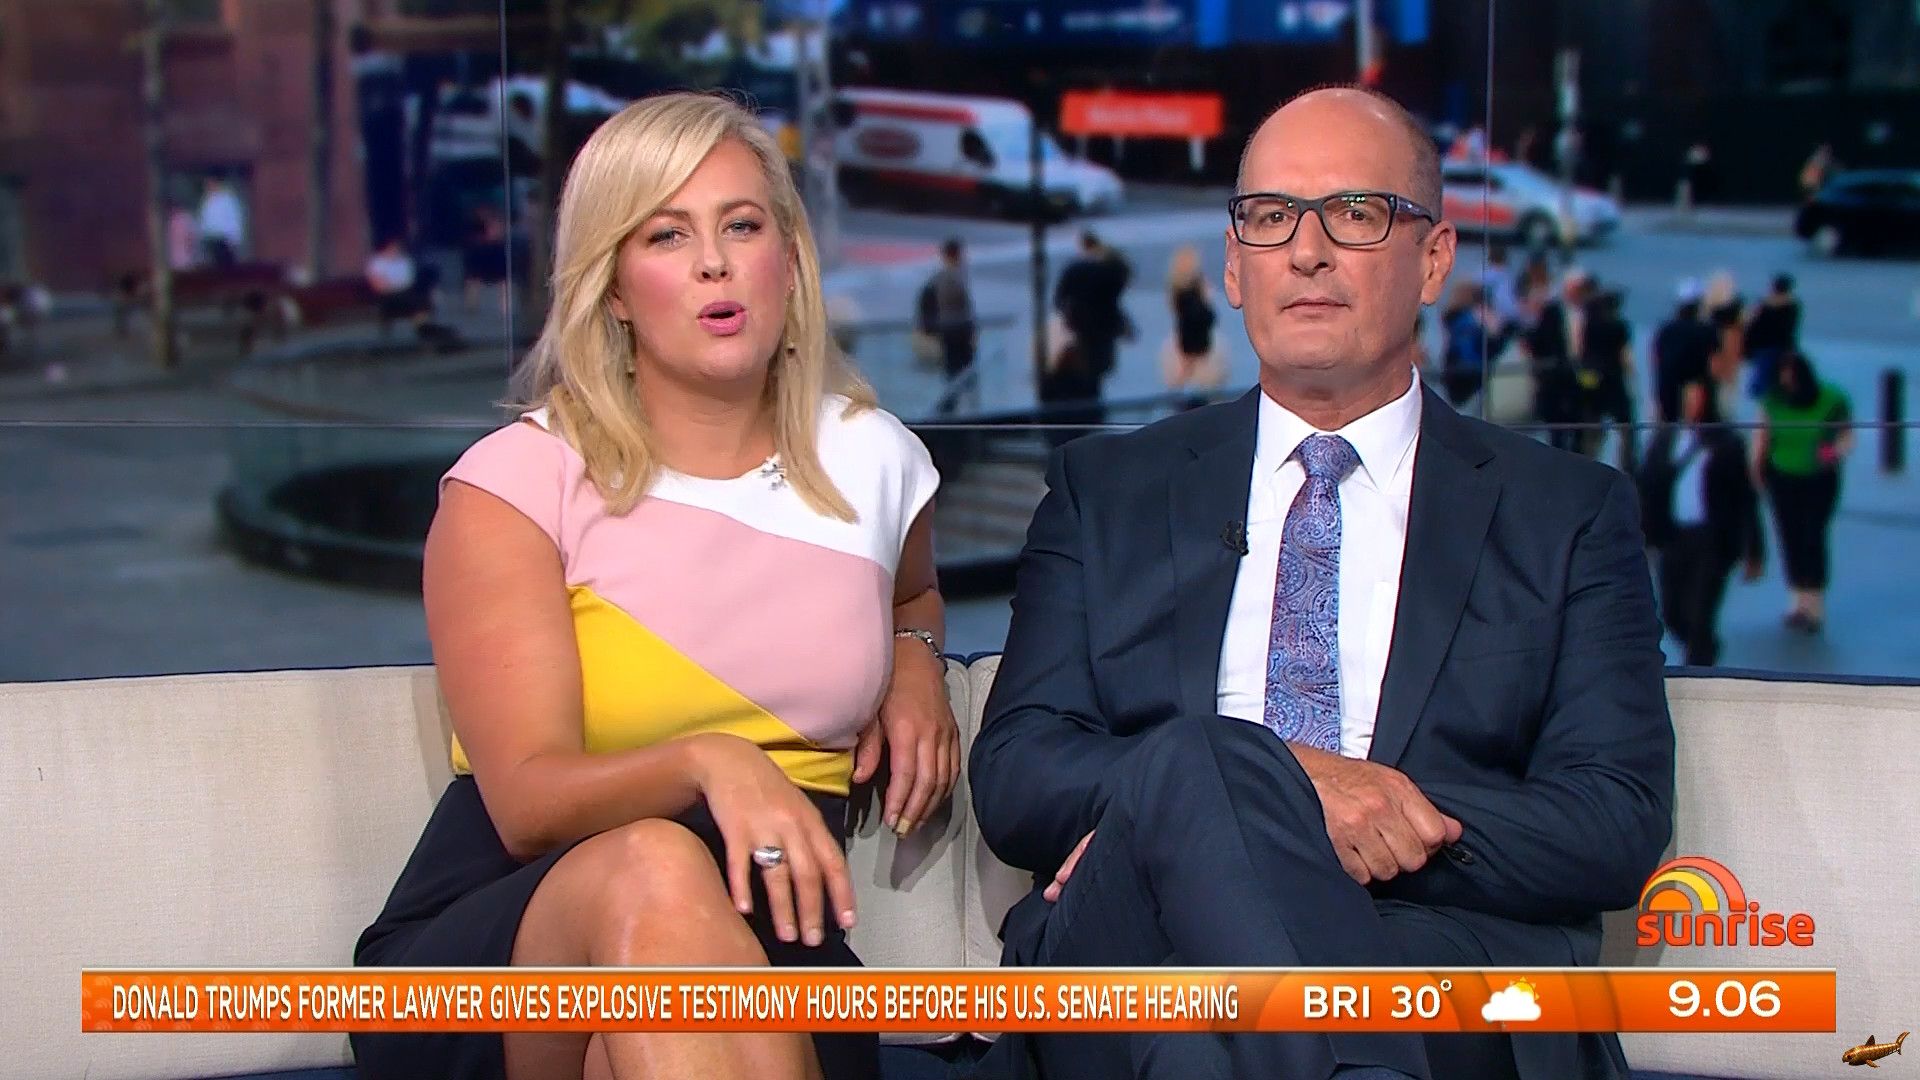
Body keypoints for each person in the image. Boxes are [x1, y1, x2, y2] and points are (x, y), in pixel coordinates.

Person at [970, 86, 1674, 1080]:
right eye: (1270, 217)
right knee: (1200, 763)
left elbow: (1612, 821)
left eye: (1354, 213)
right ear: (1233, 264)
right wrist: (1280, 787)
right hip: (1127, 933)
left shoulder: (1566, 513)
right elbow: (1017, 775)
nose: (1306, 251)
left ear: (1435, 258)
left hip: (1434, 955)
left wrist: (1342, 818)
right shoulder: (1107, 491)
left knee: (1195, 1048)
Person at [351, 92, 959, 1080]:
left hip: (780, 945)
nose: (715, 263)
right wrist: (711, 763)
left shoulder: (874, 459)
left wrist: (918, 661)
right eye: (668, 235)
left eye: (742, 226)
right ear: (616, 290)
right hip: (512, 937)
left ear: (788, 258)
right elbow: (527, 802)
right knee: (654, 868)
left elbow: (911, 597)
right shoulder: (519, 482)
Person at [1638, 379, 1764, 666]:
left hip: (1712, 540)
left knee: (1700, 613)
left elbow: (1745, 499)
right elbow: (1647, 484)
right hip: (1673, 537)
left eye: (1698, 398)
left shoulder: (1727, 444)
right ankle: (1704, 646)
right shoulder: (1666, 439)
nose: (1692, 405)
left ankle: (1700, 665)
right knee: (1671, 612)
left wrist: (1754, 550)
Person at [1756, 349, 1852, 634]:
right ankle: (1798, 602)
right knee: (1789, 537)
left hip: (1819, 478)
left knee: (1813, 536)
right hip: (1782, 478)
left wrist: (1834, 452)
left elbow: (1846, 434)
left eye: (1791, 376)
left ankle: (1815, 603)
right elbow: (1762, 438)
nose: (1787, 381)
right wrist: (1756, 473)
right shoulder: (1772, 400)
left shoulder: (1832, 399)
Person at [1044, 231, 1133, 445]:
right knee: (1093, 384)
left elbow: (1059, 299)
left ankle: (1075, 430)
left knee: (1078, 387)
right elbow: (1114, 302)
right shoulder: (1108, 272)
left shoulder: (1076, 270)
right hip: (1099, 339)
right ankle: (1090, 427)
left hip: (1080, 337)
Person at [1160, 245, 1224, 409]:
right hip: (1197, 349)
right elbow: (1205, 317)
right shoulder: (1192, 297)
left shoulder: (1179, 293)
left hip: (1189, 349)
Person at [920, 238, 978, 413]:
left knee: (957, 376)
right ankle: (950, 409)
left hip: (954, 332)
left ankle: (952, 408)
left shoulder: (948, 277)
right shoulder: (948, 278)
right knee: (957, 375)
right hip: (954, 333)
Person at [1652, 279, 1714, 424]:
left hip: (1667, 388)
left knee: (1667, 429)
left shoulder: (1665, 330)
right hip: (1695, 390)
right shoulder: (1705, 330)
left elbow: (1656, 359)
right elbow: (1713, 362)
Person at [1743, 273, 1801, 398]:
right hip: (1783, 347)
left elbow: (1751, 325)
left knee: (1762, 380)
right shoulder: (1793, 306)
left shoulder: (1763, 305)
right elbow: (1790, 329)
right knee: (1778, 379)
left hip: (1764, 347)